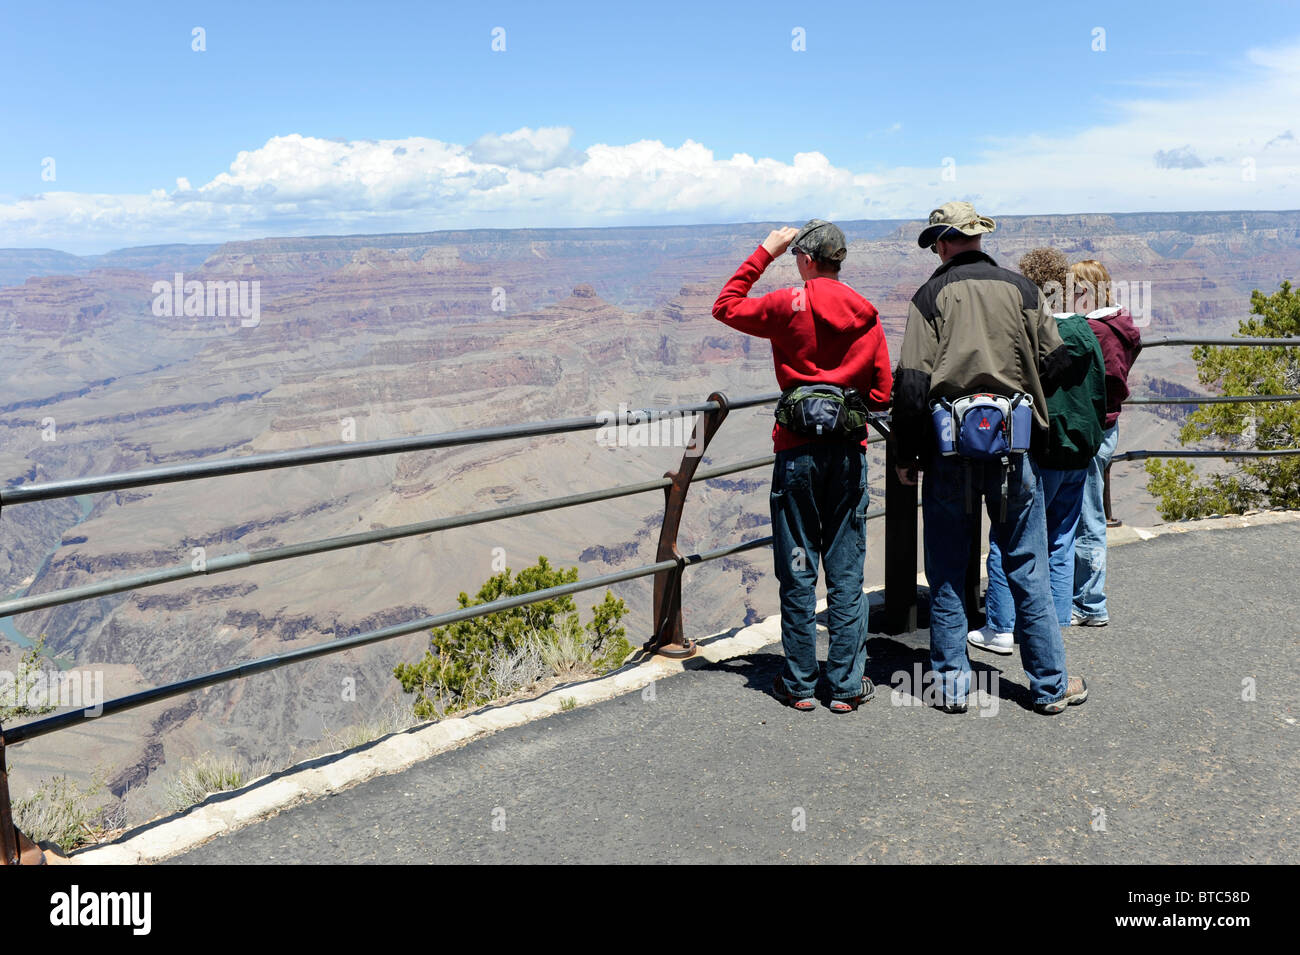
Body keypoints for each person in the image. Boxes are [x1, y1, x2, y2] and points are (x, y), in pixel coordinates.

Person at [892, 202, 1088, 715]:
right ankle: (1049, 686)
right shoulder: (1022, 290)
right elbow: (1060, 361)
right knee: (1028, 565)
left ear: (941, 243)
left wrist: (906, 454)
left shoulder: (929, 295)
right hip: (1014, 456)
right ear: (977, 239)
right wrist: (1022, 401)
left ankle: (952, 688)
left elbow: (912, 383)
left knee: (949, 568)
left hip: (948, 454)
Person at [712, 219, 892, 713]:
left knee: (797, 567)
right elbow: (881, 393)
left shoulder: (785, 303)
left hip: (795, 455)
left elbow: (724, 306)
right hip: (848, 456)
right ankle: (847, 686)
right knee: (846, 569)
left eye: (795, 258)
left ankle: (798, 684)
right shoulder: (866, 312)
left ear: (807, 259)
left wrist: (764, 252)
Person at [969, 248, 1107, 655]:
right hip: (1079, 451)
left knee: (1007, 537)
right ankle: (1055, 627)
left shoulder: (1031, 335)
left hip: (1042, 450)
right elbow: (1100, 391)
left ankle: (1001, 627)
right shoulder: (1086, 331)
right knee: (1061, 539)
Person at [1069, 259, 1143, 626]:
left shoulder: (1095, 331)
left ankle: (1089, 604)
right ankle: (1080, 596)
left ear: (1086, 291)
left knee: (1087, 517)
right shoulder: (1122, 324)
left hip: (1091, 429)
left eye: (1074, 288)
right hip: (1109, 426)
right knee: (1087, 512)